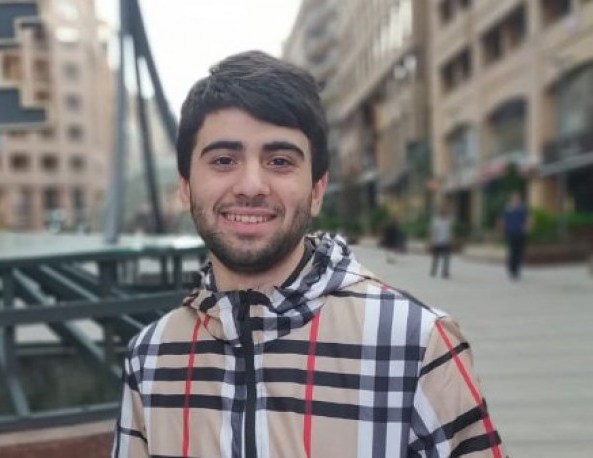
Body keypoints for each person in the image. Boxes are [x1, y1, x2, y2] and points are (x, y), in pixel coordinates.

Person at [112, 51, 504, 457]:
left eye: (280, 161)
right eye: (224, 160)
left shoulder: (416, 343)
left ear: (317, 190)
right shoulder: (151, 357)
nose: (251, 185)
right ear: (185, 188)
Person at [501, 192, 530, 280]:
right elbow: (503, 220)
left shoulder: (523, 209)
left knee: (519, 252)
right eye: (514, 199)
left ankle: (516, 270)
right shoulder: (507, 209)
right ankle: (512, 269)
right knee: (512, 251)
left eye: (518, 199)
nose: (516, 201)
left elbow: (527, 218)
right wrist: (503, 230)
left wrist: (527, 227)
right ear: (511, 200)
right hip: (511, 233)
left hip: (520, 233)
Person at [430, 205, 454, 278]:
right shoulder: (436, 221)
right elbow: (434, 232)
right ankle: (433, 271)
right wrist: (432, 241)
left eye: (446, 212)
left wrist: (450, 240)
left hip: (446, 242)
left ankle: (445, 272)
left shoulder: (448, 221)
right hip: (437, 242)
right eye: (443, 212)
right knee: (436, 258)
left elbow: (449, 232)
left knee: (446, 258)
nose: (445, 214)